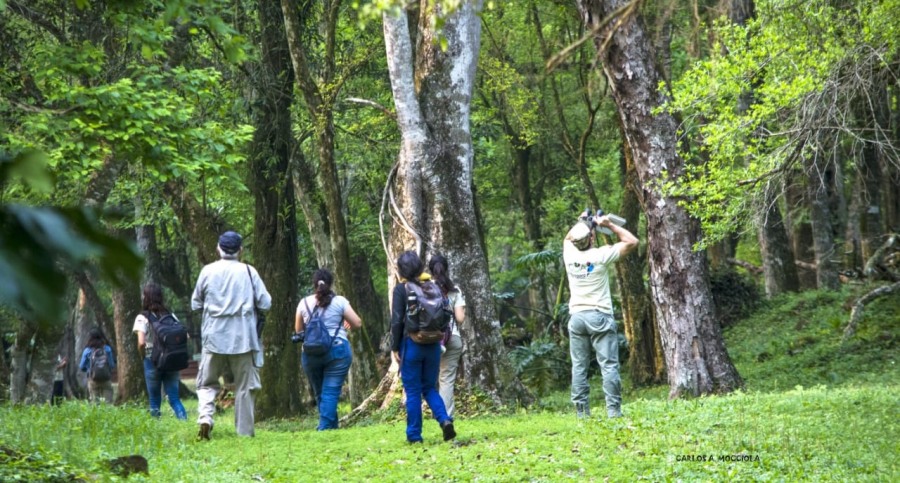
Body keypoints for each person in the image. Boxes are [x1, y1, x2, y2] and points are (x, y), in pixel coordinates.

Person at [191, 231, 271, 439]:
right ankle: (244, 433)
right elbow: (266, 303)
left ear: (218, 248)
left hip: (213, 336)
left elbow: (195, 303)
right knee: (245, 386)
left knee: (206, 382)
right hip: (243, 337)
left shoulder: (207, 271)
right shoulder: (248, 271)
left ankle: (206, 417)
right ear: (240, 250)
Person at [563, 210, 638, 419]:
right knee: (608, 365)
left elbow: (569, 237)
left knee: (579, 366)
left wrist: (583, 221)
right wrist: (609, 225)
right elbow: (632, 241)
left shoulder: (569, 254)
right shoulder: (601, 255)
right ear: (592, 238)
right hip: (599, 315)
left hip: (577, 317)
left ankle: (582, 414)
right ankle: (613, 411)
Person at [391, 251, 456, 443]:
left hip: (412, 343)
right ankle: (444, 420)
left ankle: (414, 435)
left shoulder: (401, 289)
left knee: (412, 391)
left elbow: (396, 321)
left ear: (401, 270)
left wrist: (394, 347)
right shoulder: (433, 286)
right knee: (429, 387)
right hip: (434, 344)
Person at [294, 269, 362, 430]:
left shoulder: (303, 303)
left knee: (321, 393)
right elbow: (357, 323)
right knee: (330, 392)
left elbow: (298, 331)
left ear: (314, 284)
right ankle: (326, 427)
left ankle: (328, 427)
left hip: (311, 354)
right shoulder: (340, 302)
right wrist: (345, 325)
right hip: (337, 350)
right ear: (331, 284)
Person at [133, 282, 188, 420]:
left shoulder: (142, 317)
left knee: (154, 399)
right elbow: (185, 336)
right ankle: (184, 422)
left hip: (152, 360)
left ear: (145, 297)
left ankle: (156, 427)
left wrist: (143, 355)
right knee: (174, 398)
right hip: (171, 360)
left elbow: (141, 342)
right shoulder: (170, 315)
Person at [428, 254, 466, 418]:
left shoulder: (424, 288)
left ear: (430, 269)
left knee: (426, 379)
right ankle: (446, 417)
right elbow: (460, 318)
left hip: (428, 339)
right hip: (452, 337)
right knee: (446, 379)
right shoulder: (455, 289)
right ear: (447, 268)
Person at [79, 327, 116, 404]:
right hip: (106, 379)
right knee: (108, 404)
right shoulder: (107, 349)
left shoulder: (87, 350)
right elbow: (112, 365)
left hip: (93, 380)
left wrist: (90, 370)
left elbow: (82, 366)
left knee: (95, 404)